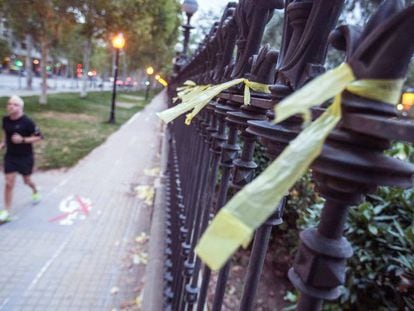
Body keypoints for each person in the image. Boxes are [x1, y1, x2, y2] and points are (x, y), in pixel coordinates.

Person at [0, 95, 43, 222]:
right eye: (9, 104)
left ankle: (35, 190)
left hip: (25, 157)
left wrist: (23, 139)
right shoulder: (5, 120)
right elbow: (6, 134)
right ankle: (7, 211)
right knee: (9, 183)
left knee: (27, 180)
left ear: (21, 107)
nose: (11, 106)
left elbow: (39, 137)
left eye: (15, 104)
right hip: (11, 156)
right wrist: (3, 144)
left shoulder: (27, 122)